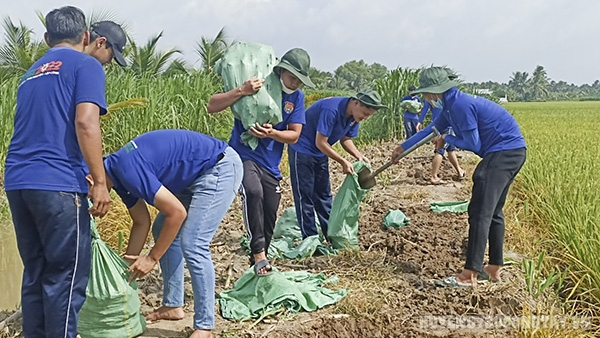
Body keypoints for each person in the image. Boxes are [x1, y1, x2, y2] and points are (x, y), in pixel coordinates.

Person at [3, 6, 112, 338]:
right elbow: (85, 123)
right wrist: (101, 182)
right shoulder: (86, 64)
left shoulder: (31, 72)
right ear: (85, 37)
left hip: (19, 182)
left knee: (35, 274)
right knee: (65, 277)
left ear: (48, 38)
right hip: (58, 185)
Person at [94, 129, 242, 338]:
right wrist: (125, 272)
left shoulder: (127, 169)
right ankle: (173, 306)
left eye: (89, 197)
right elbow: (141, 221)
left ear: (91, 180)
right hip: (189, 178)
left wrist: (152, 258)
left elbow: (177, 213)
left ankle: (204, 326)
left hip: (218, 167)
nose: (94, 204)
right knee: (160, 228)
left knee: (193, 243)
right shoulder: (115, 175)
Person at [391, 66, 526, 287]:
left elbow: (474, 144)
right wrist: (403, 147)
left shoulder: (461, 106)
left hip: (502, 153)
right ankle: (493, 268)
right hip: (512, 152)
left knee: (480, 211)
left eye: (426, 94)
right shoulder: (451, 105)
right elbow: (432, 129)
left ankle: (469, 275)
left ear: (435, 92)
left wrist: (447, 138)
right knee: (493, 212)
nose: (425, 99)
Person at [207, 48, 314, 277]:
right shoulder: (259, 84)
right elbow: (212, 106)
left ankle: (258, 265)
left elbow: (294, 134)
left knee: (270, 211)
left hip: (271, 163)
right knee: (253, 192)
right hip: (243, 155)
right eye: (292, 77)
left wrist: (273, 133)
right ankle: (258, 254)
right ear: (281, 70)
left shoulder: (297, 98)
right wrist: (242, 90)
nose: (295, 83)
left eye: (299, 80)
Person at [288, 88, 386, 239]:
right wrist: (342, 161)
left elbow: (346, 139)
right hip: (303, 149)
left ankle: (330, 234)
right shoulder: (331, 109)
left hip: (320, 152)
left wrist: (358, 155)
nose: (365, 118)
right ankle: (310, 238)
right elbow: (320, 142)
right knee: (305, 196)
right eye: (365, 114)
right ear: (356, 103)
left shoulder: (354, 116)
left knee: (324, 195)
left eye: (369, 116)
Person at [417, 100, 466, 184]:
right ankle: (434, 176)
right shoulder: (444, 96)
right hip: (446, 125)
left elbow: (425, 108)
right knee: (440, 150)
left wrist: (420, 121)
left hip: (438, 124)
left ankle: (459, 171)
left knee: (451, 150)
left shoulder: (430, 96)